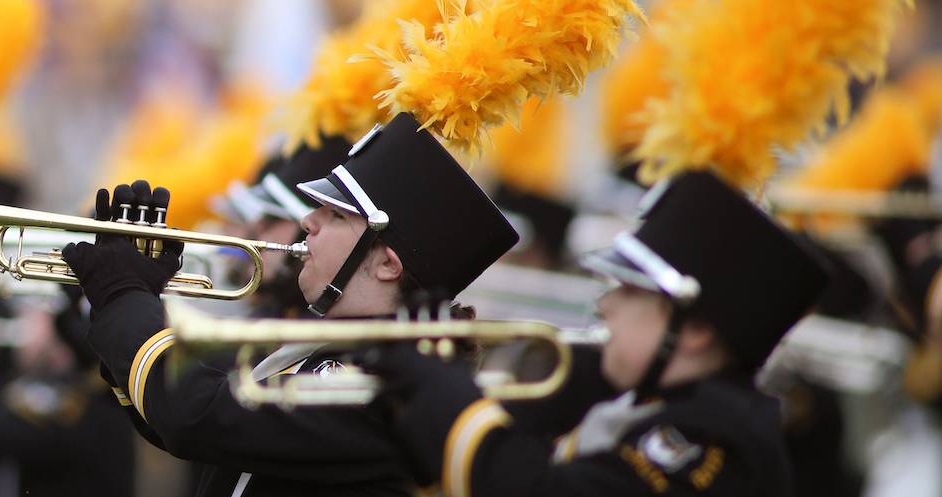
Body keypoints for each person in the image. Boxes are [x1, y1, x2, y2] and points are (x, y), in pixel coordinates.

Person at [60, 113, 519, 496]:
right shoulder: (341, 354)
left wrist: (124, 297)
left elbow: (200, 418)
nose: (307, 221)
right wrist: (122, 302)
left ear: (387, 264)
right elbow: (179, 426)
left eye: (336, 215)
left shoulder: (380, 386)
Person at [365, 171, 829, 497]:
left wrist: (441, 385)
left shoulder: (713, 440)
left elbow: (532, 491)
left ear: (697, 332)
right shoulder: (657, 406)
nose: (604, 305)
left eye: (629, 292)